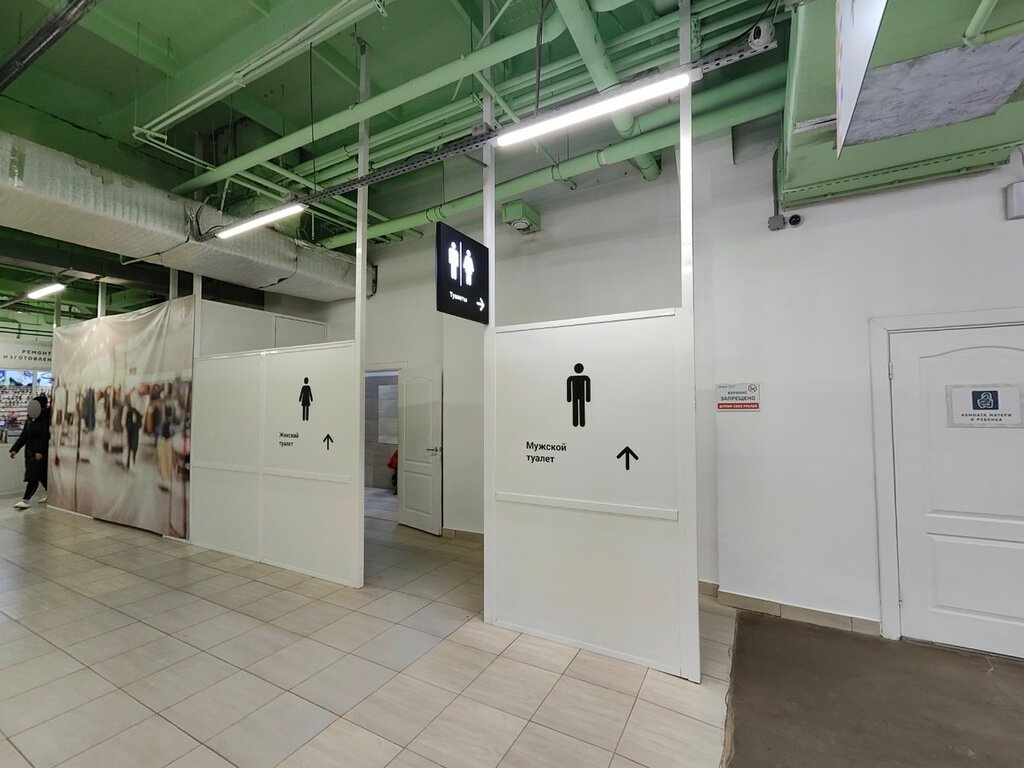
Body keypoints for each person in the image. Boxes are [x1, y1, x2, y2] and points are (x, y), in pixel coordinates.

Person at [9, 395, 51, 509]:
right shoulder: (30, 420)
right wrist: (15, 449)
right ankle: (52, 495)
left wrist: (40, 451)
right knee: (42, 476)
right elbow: (24, 436)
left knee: (33, 476)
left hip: (39, 453)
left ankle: (26, 500)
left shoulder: (45, 420)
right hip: (30, 452)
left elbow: (45, 437)